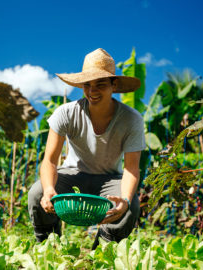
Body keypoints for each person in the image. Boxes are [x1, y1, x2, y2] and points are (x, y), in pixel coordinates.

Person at [28, 48, 146, 249]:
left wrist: (124, 199)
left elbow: (131, 168)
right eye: (87, 85)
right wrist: (49, 189)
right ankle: (48, 247)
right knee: (37, 193)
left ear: (113, 84)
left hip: (110, 179)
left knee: (130, 205)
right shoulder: (66, 113)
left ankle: (103, 252)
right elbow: (50, 161)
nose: (92, 91)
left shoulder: (131, 119)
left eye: (100, 84)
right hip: (73, 174)